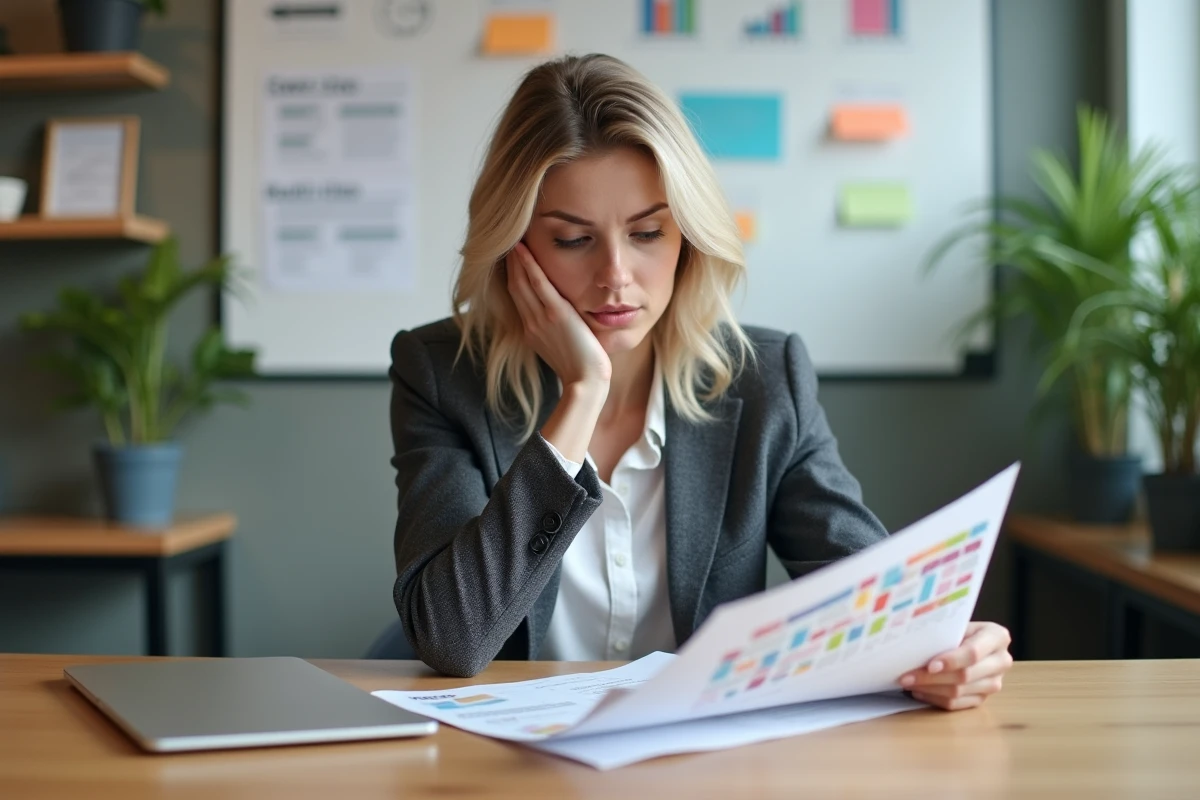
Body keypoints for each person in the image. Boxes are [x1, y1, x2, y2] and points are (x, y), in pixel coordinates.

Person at [388, 54, 1012, 708]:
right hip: (507, 750)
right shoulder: (440, 374)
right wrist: (581, 395)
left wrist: (946, 646)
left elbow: (871, 598)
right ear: (515, 248)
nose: (616, 275)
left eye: (647, 232)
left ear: (686, 237)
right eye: (573, 239)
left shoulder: (765, 379)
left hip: (698, 747)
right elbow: (452, 638)